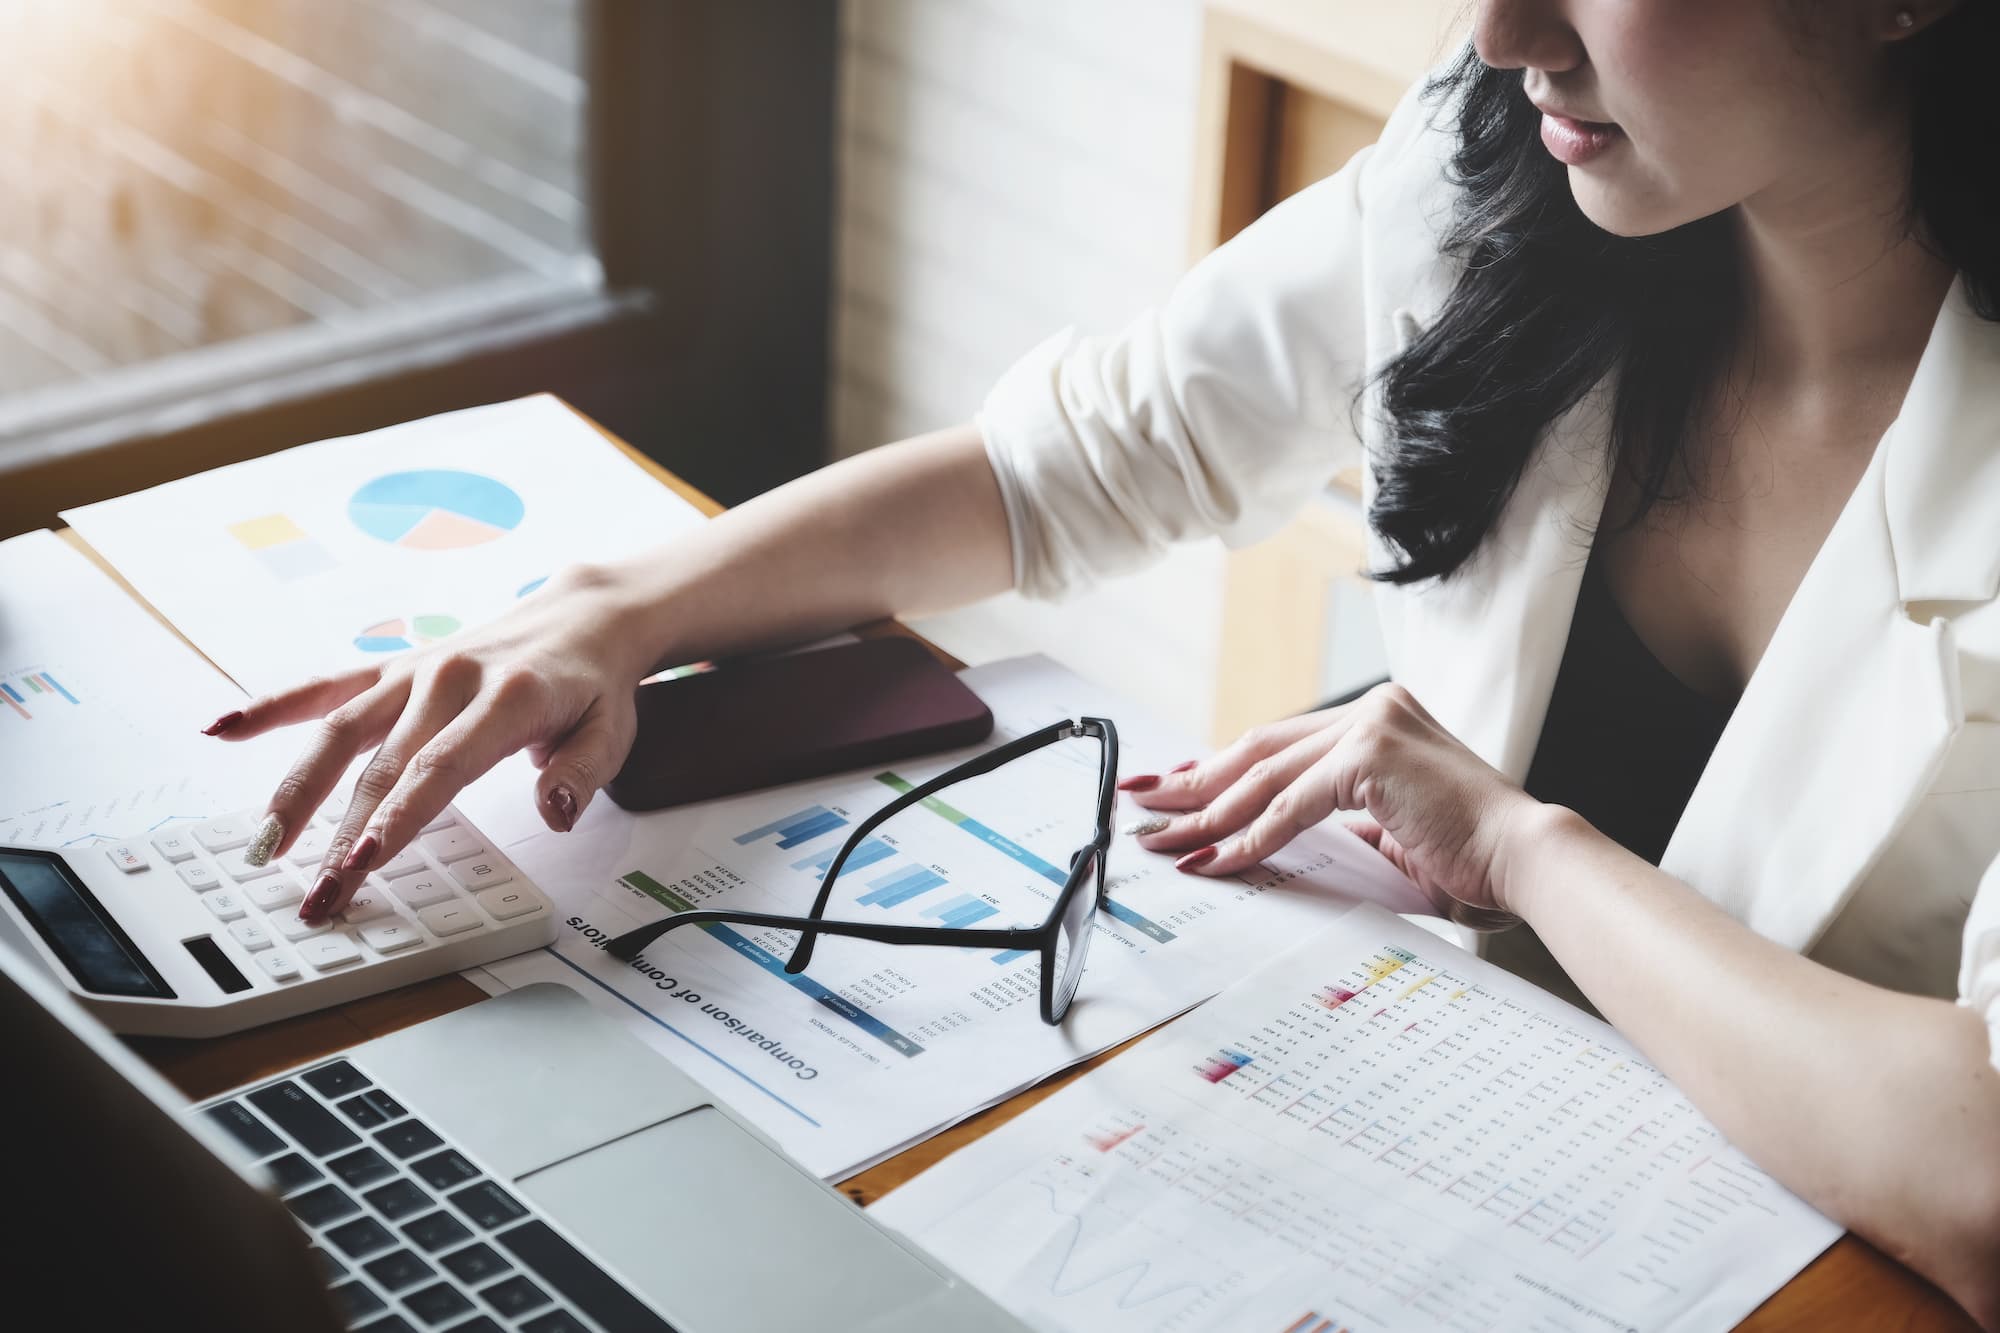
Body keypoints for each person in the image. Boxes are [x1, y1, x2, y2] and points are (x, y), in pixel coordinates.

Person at [209, 0, 2000, 1320]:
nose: (1500, 27)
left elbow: (1980, 1176)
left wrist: (1525, 841)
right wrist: (623, 609)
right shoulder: (1513, 171)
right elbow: (1070, 462)